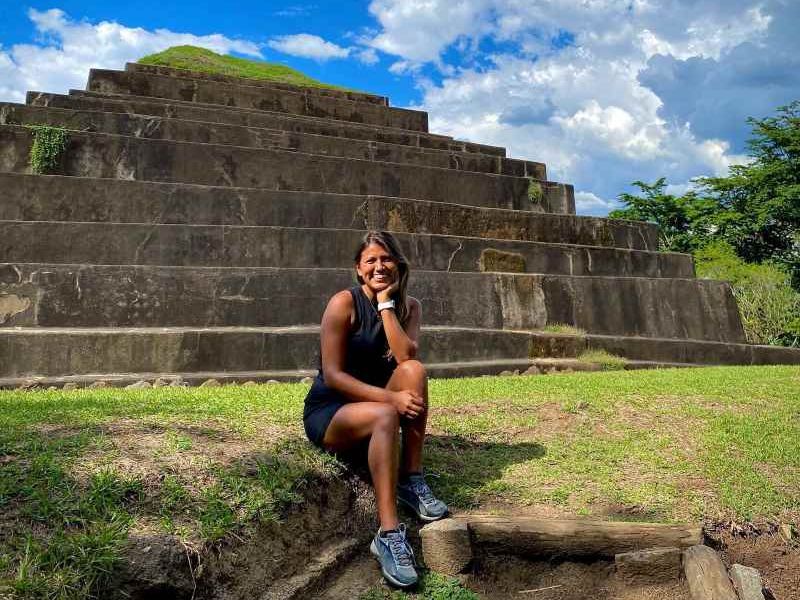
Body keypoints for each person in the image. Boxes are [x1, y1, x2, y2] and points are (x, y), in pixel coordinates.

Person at [302, 230, 448, 588]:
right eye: (371, 260)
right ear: (358, 268)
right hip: (333, 410)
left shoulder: (409, 307)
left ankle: (412, 479)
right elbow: (333, 376)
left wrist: (385, 305)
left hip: (376, 405)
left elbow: (404, 356)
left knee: (414, 371)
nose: (379, 266)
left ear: (397, 264)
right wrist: (390, 400)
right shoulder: (343, 303)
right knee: (385, 414)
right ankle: (388, 533)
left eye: (386, 259)